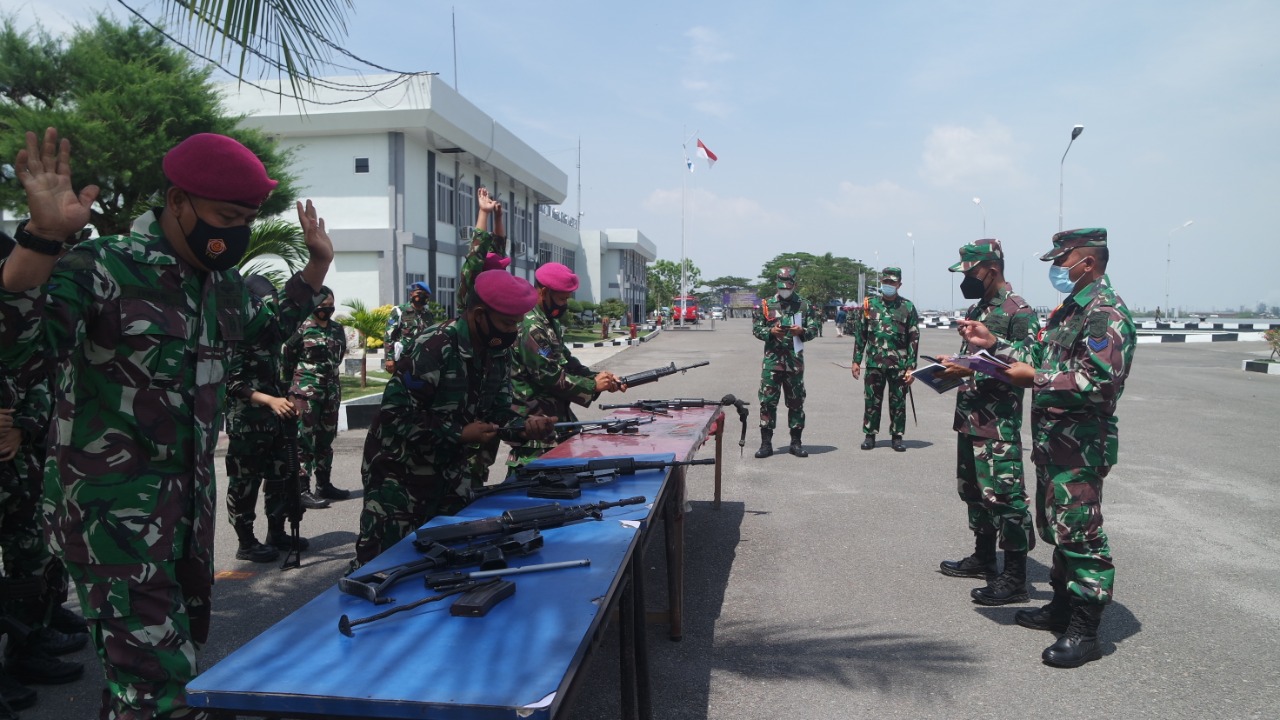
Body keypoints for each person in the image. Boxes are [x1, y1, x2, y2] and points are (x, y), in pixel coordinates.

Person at [0, 128, 332, 718]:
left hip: (187, 519)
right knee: (164, 693)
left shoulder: (219, 285)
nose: (236, 233)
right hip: (113, 523)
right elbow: (19, 351)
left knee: (145, 683)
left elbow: (264, 335)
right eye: (227, 215)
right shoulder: (102, 266)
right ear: (178, 202)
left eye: (248, 219)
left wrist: (315, 269)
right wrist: (40, 240)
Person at [958, 228, 1135, 668]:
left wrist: (1032, 380)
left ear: (1088, 262)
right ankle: (1060, 604)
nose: (1057, 267)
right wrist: (993, 343)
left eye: (1063, 259)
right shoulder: (1069, 310)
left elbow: (1099, 381)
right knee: (1056, 529)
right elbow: (1036, 353)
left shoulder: (1104, 313)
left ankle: (1085, 628)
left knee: (1081, 534)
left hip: (1080, 446)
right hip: (1052, 444)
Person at [351, 269, 555, 570]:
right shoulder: (434, 346)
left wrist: (525, 426)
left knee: (451, 558)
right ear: (478, 314)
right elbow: (395, 416)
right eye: (506, 323)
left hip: (450, 474)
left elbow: (497, 411)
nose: (512, 331)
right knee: (381, 565)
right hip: (399, 474)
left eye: (515, 324)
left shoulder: (497, 351)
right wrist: (459, 433)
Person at [928, 240, 1039, 604]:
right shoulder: (980, 307)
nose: (966, 279)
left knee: (1006, 498)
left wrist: (987, 350)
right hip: (969, 416)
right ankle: (984, 557)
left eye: (970, 272)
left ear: (991, 269)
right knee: (974, 493)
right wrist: (955, 363)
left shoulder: (1017, 311)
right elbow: (980, 360)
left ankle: (1015, 576)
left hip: (997, 422)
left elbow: (1030, 364)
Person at [506, 262, 623, 468]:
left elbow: (568, 363)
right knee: (528, 490)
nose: (564, 305)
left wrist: (600, 378)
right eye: (561, 299)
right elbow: (550, 376)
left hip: (555, 422)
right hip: (534, 426)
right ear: (543, 292)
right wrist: (592, 386)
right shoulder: (531, 326)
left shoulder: (549, 323)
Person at [224, 275, 304, 562]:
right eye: (264, 303)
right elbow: (231, 383)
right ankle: (246, 542)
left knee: (280, 477)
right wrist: (269, 400)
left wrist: (290, 395)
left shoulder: (273, 342)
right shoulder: (236, 335)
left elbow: (281, 377)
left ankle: (277, 532)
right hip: (247, 422)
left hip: (276, 421)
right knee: (244, 483)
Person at [284, 288, 351, 506]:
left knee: (326, 439)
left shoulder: (337, 329)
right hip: (305, 392)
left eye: (330, 304)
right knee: (304, 440)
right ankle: (302, 489)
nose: (326, 309)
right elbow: (288, 357)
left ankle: (324, 485)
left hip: (331, 392)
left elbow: (338, 357)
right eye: (322, 305)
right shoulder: (301, 328)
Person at [751, 267, 821, 458]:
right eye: (781, 286)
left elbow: (815, 328)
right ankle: (766, 444)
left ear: (794, 285)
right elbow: (757, 329)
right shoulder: (766, 304)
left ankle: (796, 443)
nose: (784, 290)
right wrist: (770, 332)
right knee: (767, 403)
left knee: (796, 403)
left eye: (788, 287)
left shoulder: (804, 305)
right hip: (772, 363)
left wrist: (803, 331)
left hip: (794, 363)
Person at [851, 267, 919, 452]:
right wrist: (856, 361)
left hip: (899, 364)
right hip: (874, 362)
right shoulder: (869, 305)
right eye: (885, 282)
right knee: (872, 400)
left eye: (892, 282)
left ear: (899, 284)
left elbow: (913, 338)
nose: (888, 285)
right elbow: (861, 334)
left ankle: (897, 437)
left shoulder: (908, 307)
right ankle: (869, 435)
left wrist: (911, 367)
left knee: (898, 401)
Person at [383, 281, 435, 373]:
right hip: (404, 360)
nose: (422, 296)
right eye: (419, 293)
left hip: (425, 360)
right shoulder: (400, 311)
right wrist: (389, 358)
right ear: (411, 294)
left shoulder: (428, 315)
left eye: (425, 294)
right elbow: (389, 335)